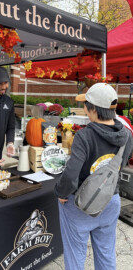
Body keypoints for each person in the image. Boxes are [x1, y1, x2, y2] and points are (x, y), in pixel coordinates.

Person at [54, 83, 133, 270]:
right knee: (106, 254)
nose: (85, 107)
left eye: (86, 104)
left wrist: (61, 193)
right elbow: (123, 163)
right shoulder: (127, 135)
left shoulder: (85, 136)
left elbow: (71, 173)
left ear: (94, 110)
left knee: (75, 256)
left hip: (81, 204)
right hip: (110, 200)